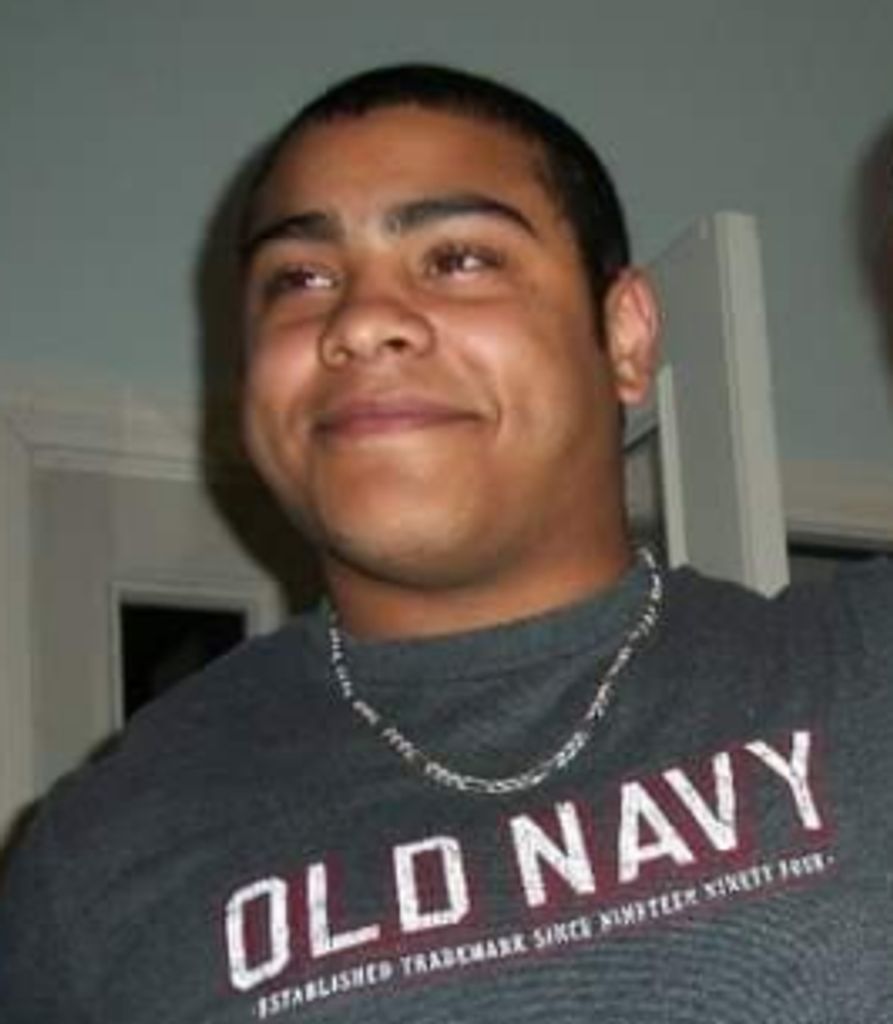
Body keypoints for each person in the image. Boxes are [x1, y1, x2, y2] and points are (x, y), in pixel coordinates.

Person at [0, 63, 891, 1023]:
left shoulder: (864, 673)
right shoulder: (96, 857)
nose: (360, 321)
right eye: (299, 278)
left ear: (625, 336)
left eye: (458, 258)